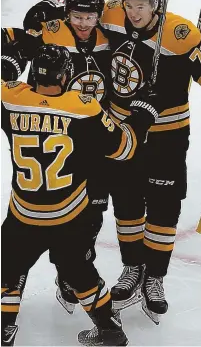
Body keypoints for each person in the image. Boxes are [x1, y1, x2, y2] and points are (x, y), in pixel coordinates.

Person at [1, 42, 163, 346]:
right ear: (65, 77)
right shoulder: (82, 106)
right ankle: (109, 329)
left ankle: (4, 328)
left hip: (25, 214)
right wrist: (143, 112)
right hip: (69, 214)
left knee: (6, 270)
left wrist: (9, 59)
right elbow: (125, 148)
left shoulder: (10, 98)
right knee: (79, 270)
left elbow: (6, 78)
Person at [3, 0, 112, 314]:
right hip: (72, 136)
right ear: (67, 14)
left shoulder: (113, 35)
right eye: (76, 16)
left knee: (93, 214)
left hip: (94, 135)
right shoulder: (49, 32)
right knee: (72, 215)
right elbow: (12, 39)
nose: (82, 23)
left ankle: (71, 273)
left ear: (99, 15)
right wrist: (12, 57)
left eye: (89, 16)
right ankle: (76, 274)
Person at [99, 0, 201, 323]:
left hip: (167, 135)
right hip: (124, 130)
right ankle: (132, 269)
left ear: (156, 5)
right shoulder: (111, 14)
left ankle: (154, 276)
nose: (132, 12)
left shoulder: (179, 33)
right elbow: (77, 21)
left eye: (140, 6)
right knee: (126, 204)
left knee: (163, 208)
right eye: (129, 5)